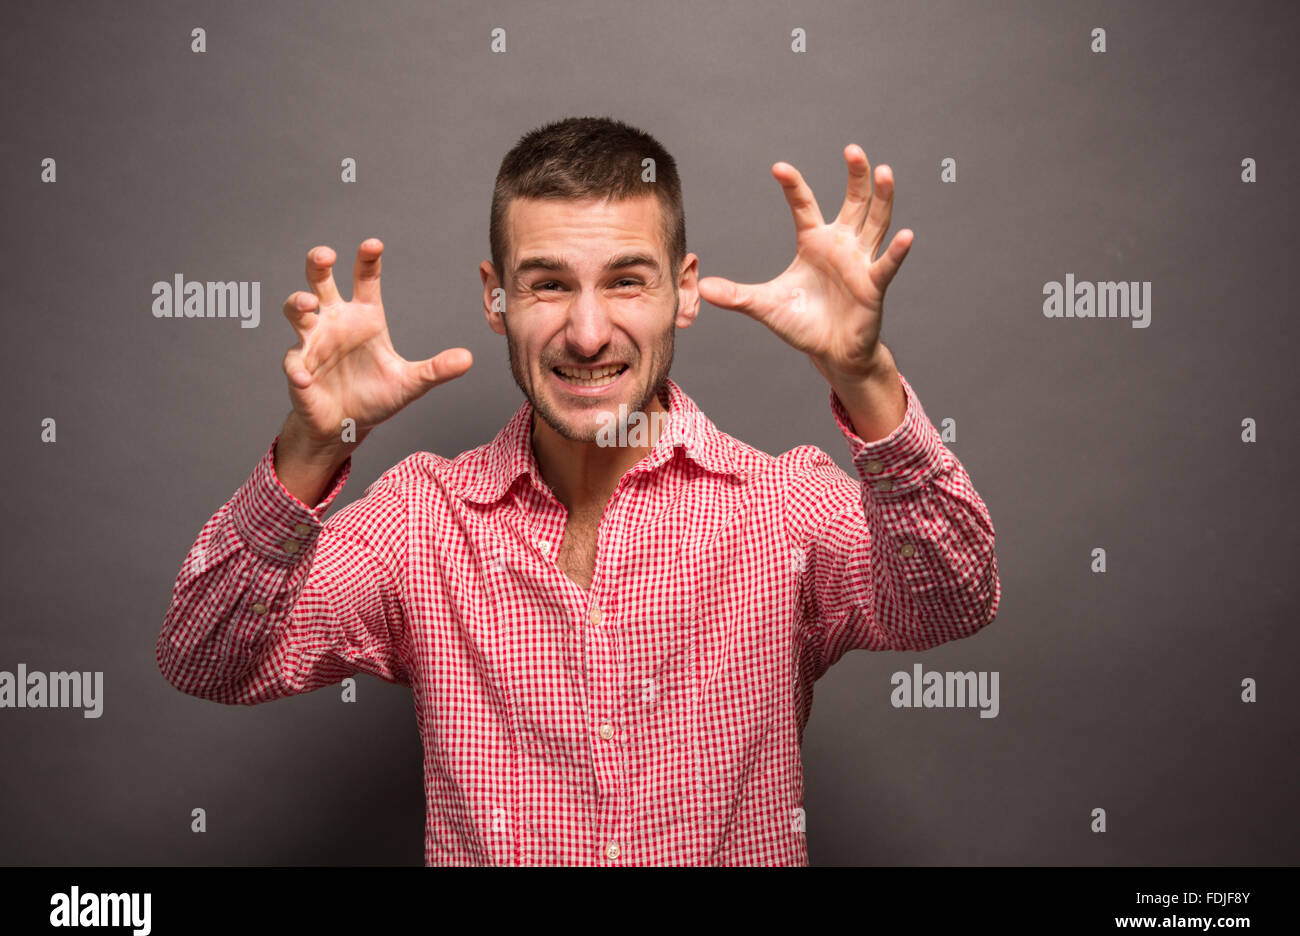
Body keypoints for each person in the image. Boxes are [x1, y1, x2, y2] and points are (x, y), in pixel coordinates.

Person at [156, 116, 1001, 866]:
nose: (588, 333)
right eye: (549, 283)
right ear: (496, 297)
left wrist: (865, 376)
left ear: (686, 289)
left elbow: (953, 599)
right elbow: (207, 658)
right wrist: (312, 446)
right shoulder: (420, 520)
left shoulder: (780, 506)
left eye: (628, 280)